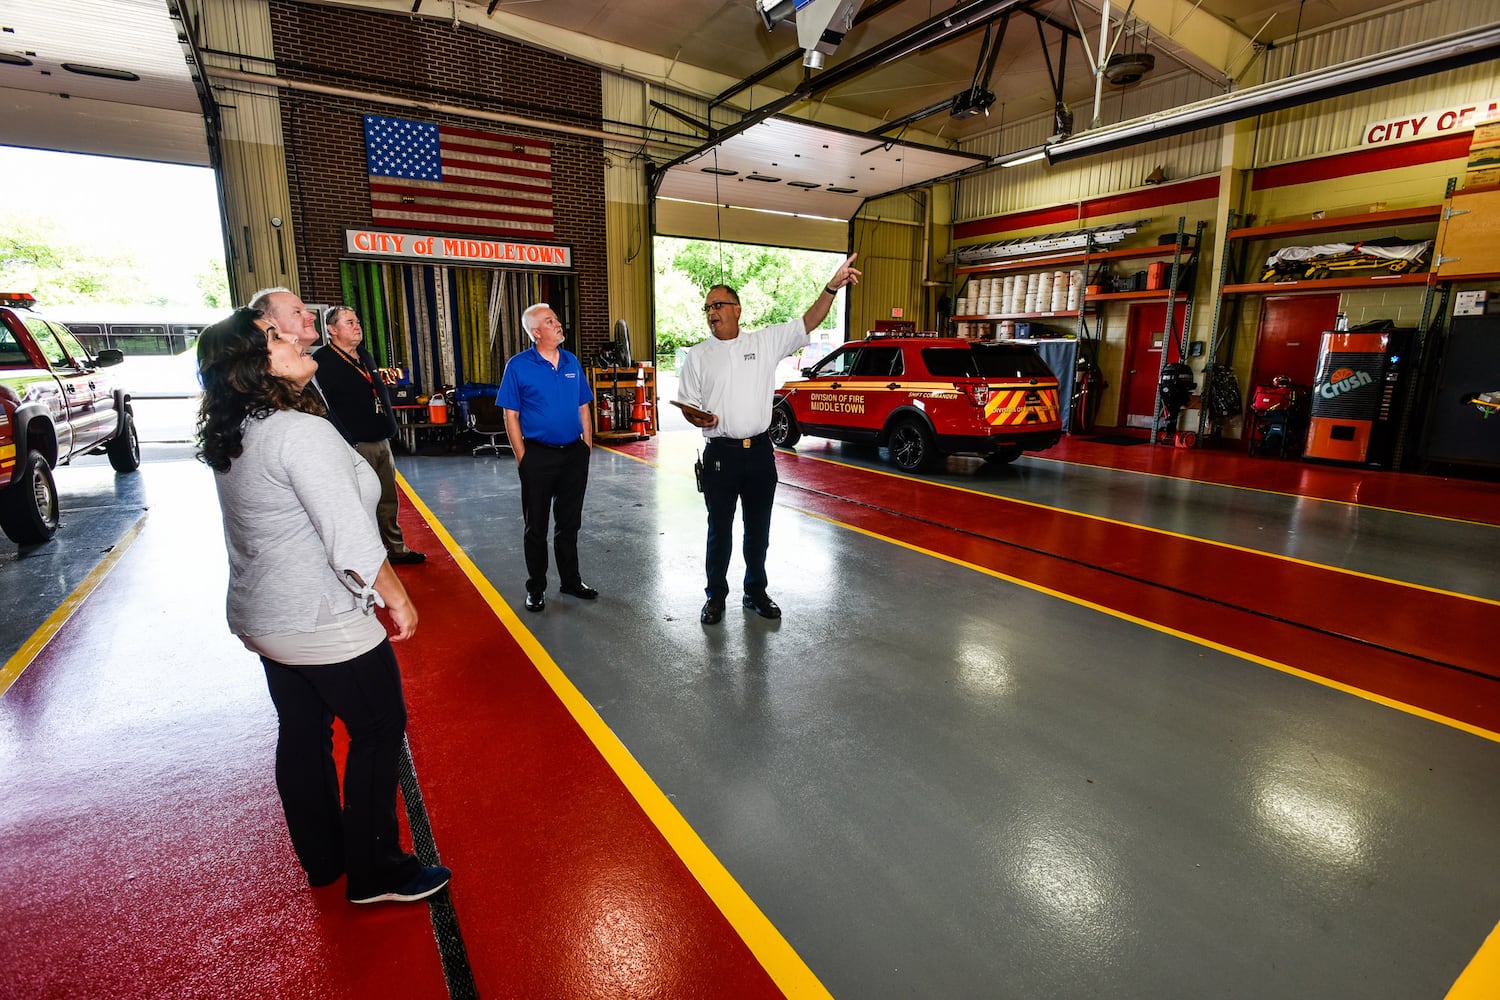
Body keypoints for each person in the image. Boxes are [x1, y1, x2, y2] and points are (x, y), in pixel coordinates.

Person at [195, 306, 450, 906]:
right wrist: (396, 596)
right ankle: (376, 870)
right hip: (318, 619)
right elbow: (349, 538)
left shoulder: (245, 429)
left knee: (303, 733)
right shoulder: (296, 432)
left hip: (266, 617)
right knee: (379, 728)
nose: (294, 337)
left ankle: (325, 857)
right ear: (256, 365)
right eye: (277, 336)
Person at [678, 253, 862, 625]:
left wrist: (831, 287)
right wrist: (701, 416)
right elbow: (688, 406)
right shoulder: (697, 356)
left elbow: (809, 321)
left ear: (738, 309)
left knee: (758, 530)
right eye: (707, 307)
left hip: (759, 453)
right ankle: (715, 597)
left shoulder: (765, 342)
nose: (712, 312)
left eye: (718, 305)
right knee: (719, 530)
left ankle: (755, 592)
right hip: (719, 456)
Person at [497, 302, 597, 613]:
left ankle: (570, 581)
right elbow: (510, 415)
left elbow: (584, 407)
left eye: (555, 318)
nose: (558, 324)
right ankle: (536, 587)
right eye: (550, 321)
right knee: (536, 526)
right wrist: (523, 459)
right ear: (537, 332)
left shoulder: (571, 362)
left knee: (569, 524)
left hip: (573, 454)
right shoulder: (518, 366)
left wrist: (587, 448)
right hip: (538, 456)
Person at [314, 305, 425, 564]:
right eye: (349, 322)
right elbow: (325, 407)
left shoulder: (364, 355)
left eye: (357, 321)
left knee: (388, 497)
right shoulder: (323, 362)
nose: (357, 326)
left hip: (381, 438)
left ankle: (396, 548)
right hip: (354, 443)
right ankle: (370, 554)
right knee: (363, 501)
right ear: (332, 330)